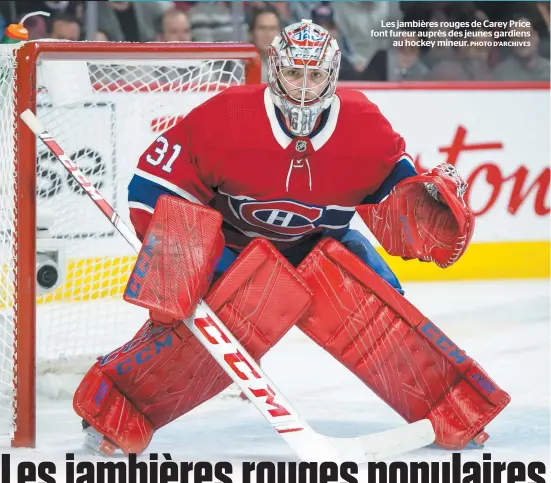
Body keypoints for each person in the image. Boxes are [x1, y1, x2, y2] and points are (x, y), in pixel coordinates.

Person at [73, 20, 492, 456]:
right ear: (275, 69)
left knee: (387, 311)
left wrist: (429, 203)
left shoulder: (365, 124)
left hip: (318, 251)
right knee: (196, 335)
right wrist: (181, 258)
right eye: (294, 74)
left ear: (333, 75)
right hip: (234, 254)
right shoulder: (229, 114)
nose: (304, 88)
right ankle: (113, 412)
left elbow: (399, 200)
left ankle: (453, 407)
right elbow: (153, 183)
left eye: (315, 75)